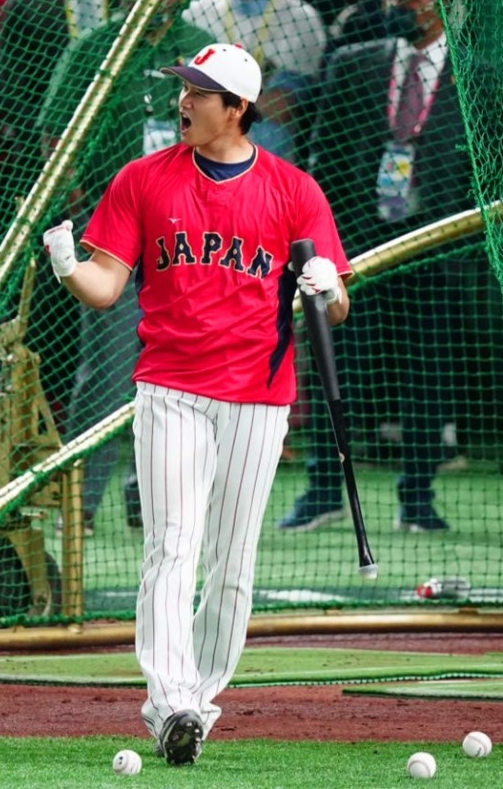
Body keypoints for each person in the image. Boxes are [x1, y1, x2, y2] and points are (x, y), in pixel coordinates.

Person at [42, 43, 351, 765]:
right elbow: (107, 286)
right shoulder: (143, 179)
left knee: (233, 562)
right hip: (171, 388)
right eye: (184, 88)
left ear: (237, 109)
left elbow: (336, 303)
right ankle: (171, 700)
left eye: (200, 93)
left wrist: (325, 286)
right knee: (171, 545)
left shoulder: (294, 190)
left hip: (258, 396)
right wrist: (65, 262)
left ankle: (199, 706)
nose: (184, 102)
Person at [281, 0, 495, 532]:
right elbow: (321, 159)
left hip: (435, 251)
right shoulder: (354, 62)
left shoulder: (479, 77)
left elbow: (489, 170)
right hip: (356, 250)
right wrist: (318, 249)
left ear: (444, 2)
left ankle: (417, 499)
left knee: (429, 376)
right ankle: (325, 491)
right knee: (340, 371)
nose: (402, 4)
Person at [37, 0, 214, 534]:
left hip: (188, 233)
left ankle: (160, 500)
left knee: (188, 370)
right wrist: (74, 202)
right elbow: (55, 135)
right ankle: (81, 502)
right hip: (114, 225)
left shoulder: (201, 49)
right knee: (110, 369)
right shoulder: (96, 47)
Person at [183, 0, 326, 161]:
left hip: (266, 167)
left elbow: (283, 107)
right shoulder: (197, 11)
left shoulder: (302, 18)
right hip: (197, 160)